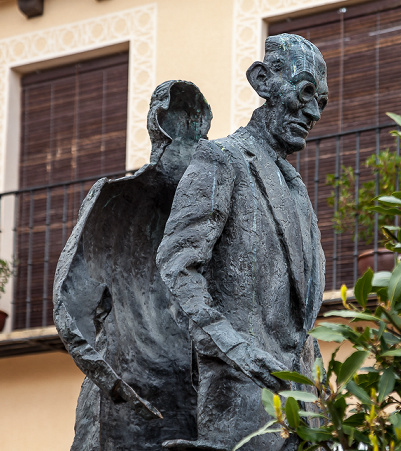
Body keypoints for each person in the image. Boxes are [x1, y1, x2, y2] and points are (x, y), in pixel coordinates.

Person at [156, 33, 328, 451]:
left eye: (321, 101)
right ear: (263, 80)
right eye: (305, 91)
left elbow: (298, 321)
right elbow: (177, 266)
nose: (313, 112)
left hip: (307, 415)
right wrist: (235, 349)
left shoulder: (297, 189)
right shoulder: (222, 159)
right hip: (241, 405)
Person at [54, 81, 212, 450]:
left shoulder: (212, 204)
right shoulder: (114, 199)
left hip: (193, 399)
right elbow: (72, 302)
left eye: (200, 127)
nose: (200, 141)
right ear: (161, 125)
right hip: (128, 396)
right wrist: (110, 381)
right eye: (188, 126)